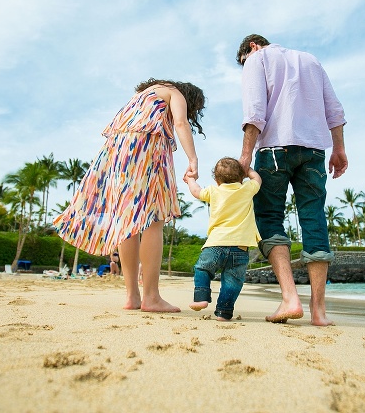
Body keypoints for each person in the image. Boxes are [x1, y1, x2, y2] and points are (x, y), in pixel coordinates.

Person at [54, 78, 206, 312]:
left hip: (119, 153)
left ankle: (132, 297)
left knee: (128, 222)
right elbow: (181, 122)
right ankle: (151, 297)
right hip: (146, 147)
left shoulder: (142, 96)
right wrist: (193, 159)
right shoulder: (174, 93)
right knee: (153, 220)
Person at [236, 34, 348, 326]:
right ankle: (319, 312)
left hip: (274, 148)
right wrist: (339, 149)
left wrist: (245, 155)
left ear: (252, 47)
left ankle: (290, 298)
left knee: (269, 217)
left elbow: (255, 111)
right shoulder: (311, 60)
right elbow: (334, 110)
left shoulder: (256, 59)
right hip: (313, 151)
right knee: (313, 218)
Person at [185, 157, 262, 321]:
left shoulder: (214, 190)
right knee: (232, 281)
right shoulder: (247, 189)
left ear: (216, 179)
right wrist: (248, 169)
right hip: (240, 248)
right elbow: (257, 179)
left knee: (203, 269)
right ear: (241, 178)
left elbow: (196, 191)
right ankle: (224, 312)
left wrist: (190, 179)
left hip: (215, 244)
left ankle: (201, 297)